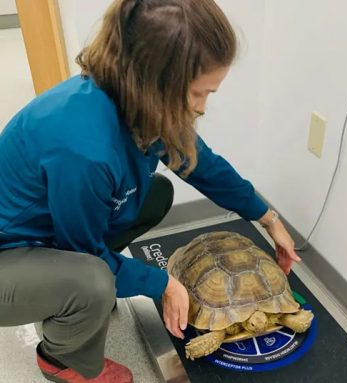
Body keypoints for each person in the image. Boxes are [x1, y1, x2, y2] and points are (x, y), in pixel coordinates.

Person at [0, 1, 301, 382]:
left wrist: (267, 217)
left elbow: (203, 164)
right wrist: (160, 283)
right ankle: (62, 359)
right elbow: (83, 251)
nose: (202, 108)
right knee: (91, 278)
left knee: (153, 194)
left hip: (44, 231)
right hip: (5, 256)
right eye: (197, 94)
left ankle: (74, 292)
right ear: (154, 82)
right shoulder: (84, 148)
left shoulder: (136, 101)